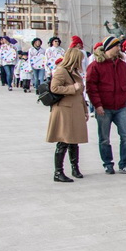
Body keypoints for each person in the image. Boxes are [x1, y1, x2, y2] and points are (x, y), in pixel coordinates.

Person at [85, 35, 126, 175]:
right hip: (104, 107)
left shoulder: (123, 65)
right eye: (116, 46)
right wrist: (97, 105)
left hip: (121, 106)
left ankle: (124, 163)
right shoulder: (95, 66)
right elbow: (91, 88)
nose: (119, 49)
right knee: (104, 138)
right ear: (108, 48)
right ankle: (108, 163)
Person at [45, 48, 88, 182]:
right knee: (63, 141)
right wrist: (72, 88)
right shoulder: (61, 71)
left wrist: (85, 110)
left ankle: (75, 168)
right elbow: (54, 88)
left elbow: (80, 94)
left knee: (74, 140)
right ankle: (58, 172)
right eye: (79, 59)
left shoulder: (74, 72)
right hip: (64, 110)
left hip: (75, 109)